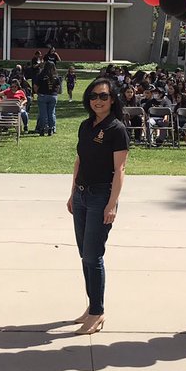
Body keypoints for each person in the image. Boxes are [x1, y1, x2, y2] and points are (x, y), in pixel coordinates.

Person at [66, 77, 129, 336]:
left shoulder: (116, 129)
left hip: (101, 197)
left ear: (112, 99)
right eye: (93, 96)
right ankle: (92, 306)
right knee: (85, 255)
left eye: (103, 96)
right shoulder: (85, 126)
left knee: (93, 256)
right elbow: (79, 160)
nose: (98, 100)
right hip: (81, 196)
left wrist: (111, 205)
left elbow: (120, 169)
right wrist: (72, 193)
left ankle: (98, 311)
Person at [35, 61, 60, 136]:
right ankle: (51, 129)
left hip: (43, 95)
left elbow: (36, 86)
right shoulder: (55, 76)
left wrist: (38, 93)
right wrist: (55, 93)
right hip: (53, 96)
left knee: (43, 113)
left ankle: (42, 129)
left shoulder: (41, 75)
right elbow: (58, 87)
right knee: (51, 113)